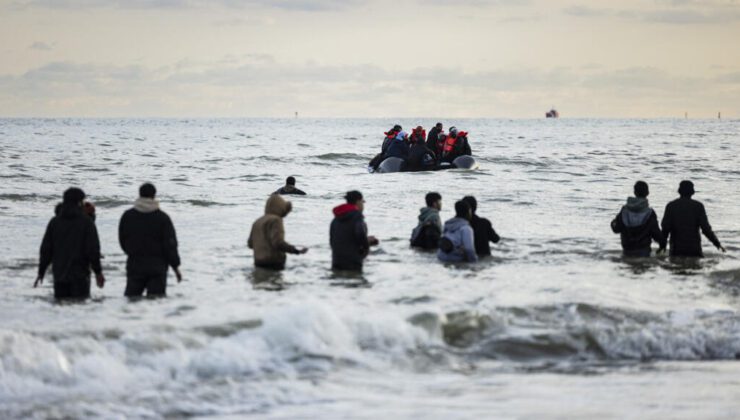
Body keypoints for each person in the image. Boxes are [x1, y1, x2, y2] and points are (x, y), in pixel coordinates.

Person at [35, 188, 105, 299]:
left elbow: (46, 250)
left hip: (59, 275)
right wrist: (98, 272)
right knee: (79, 307)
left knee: (60, 306)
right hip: (80, 275)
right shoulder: (86, 222)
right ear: (79, 202)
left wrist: (41, 271)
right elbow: (93, 250)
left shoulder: (55, 222)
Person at [118, 183, 181, 297]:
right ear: (154, 196)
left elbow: (123, 240)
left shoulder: (128, 216)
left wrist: (132, 252)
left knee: (132, 300)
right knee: (156, 302)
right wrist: (175, 267)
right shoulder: (162, 218)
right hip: (157, 266)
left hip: (135, 264)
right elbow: (170, 245)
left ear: (139, 194)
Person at [661, 180, 725, 257]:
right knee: (695, 267)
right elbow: (705, 228)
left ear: (679, 191)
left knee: (676, 267)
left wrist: (662, 244)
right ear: (692, 192)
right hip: (694, 247)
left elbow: (665, 228)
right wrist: (717, 243)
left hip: (677, 248)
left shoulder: (671, 206)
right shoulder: (698, 206)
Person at [248, 194, 308, 270]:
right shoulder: (276, 220)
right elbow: (278, 243)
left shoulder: (257, 221)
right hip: (274, 263)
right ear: (280, 207)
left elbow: (250, 244)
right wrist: (296, 250)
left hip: (258, 263)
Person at [610, 181, 665, 257]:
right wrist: (662, 244)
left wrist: (613, 222)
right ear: (647, 193)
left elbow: (616, 229)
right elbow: (655, 233)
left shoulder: (624, 210)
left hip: (627, 250)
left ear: (635, 192)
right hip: (643, 250)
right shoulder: (650, 213)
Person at [330, 190, 379, 271]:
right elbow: (360, 235)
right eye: (363, 202)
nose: (363, 205)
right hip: (352, 263)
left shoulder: (336, 219)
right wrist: (366, 246)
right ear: (358, 201)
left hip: (336, 261)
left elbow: (332, 241)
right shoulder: (356, 217)